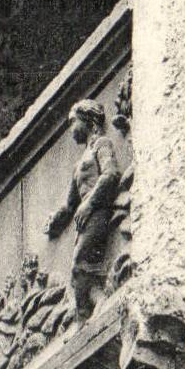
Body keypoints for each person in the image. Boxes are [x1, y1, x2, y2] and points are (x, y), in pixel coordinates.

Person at [46, 99, 122, 320]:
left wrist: (89, 203)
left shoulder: (102, 144)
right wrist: (55, 219)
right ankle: (95, 306)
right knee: (80, 268)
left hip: (97, 211)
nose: (71, 129)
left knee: (79, 265)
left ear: (87, 120)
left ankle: (86, 315)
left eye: (73, 122)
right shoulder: (78, 164)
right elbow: (70, 204)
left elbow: (110, 174)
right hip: (83, 218)